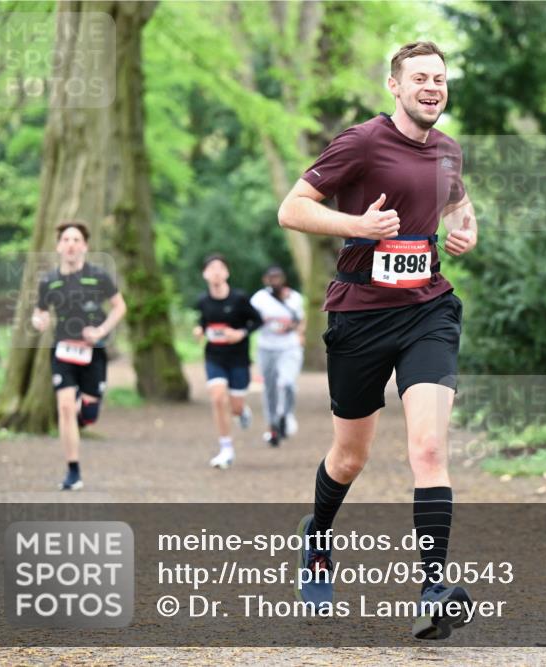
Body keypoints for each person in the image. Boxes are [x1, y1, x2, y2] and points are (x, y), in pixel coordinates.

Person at [277, 41, 478, 639]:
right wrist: (357, 226)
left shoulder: (448, 150)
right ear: (394, 86)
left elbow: (461, 209)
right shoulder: (361, 142)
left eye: (439, 79)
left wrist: (464, 233)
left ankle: (434, 588)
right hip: (360, 316)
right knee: (351, 457)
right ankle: (316, 537)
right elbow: (292, 209)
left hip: (428, 311)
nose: (432, 87)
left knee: (429, 449)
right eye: (419, 78)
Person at [31, 222, 127, 491]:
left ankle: (85, 414)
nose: (71, 244)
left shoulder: (98, 276)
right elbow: (41, 312)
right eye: (66, 239)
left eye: (76, 239)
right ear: (59, 246)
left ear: (84, 246)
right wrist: (38, 320)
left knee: (89, 412)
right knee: (64, 406)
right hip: (63, 349)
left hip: (93, 352)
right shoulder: (49, 281)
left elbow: (120, 307)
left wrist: (102, 330)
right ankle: (73, 470)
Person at [193, 254, 263, 469]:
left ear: (227, 273)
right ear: (205, 274)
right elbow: (204, 322)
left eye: (220, 268)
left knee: (234, 407)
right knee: (216, 398)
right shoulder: (202, 300)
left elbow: (257, 321)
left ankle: (242, 412)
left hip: (238, 359)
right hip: (214, 357)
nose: (215, 272)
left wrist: (240, 333)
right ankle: (226, 449)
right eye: (211, 268)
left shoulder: (239, 298)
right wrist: (200, 330)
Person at [250, 266, 306, 446]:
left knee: (287, 383)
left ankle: (285, 415)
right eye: (271, 277)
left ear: (284, 278)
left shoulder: (294, 298)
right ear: (265, 280)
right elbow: (250, 320)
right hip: (266, 348)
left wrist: (296, 330)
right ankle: (272, 425)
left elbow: (301, 321)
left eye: (278, 277)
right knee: (270, 388)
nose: (275, 281)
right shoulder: (259, 299)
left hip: (289, 347)